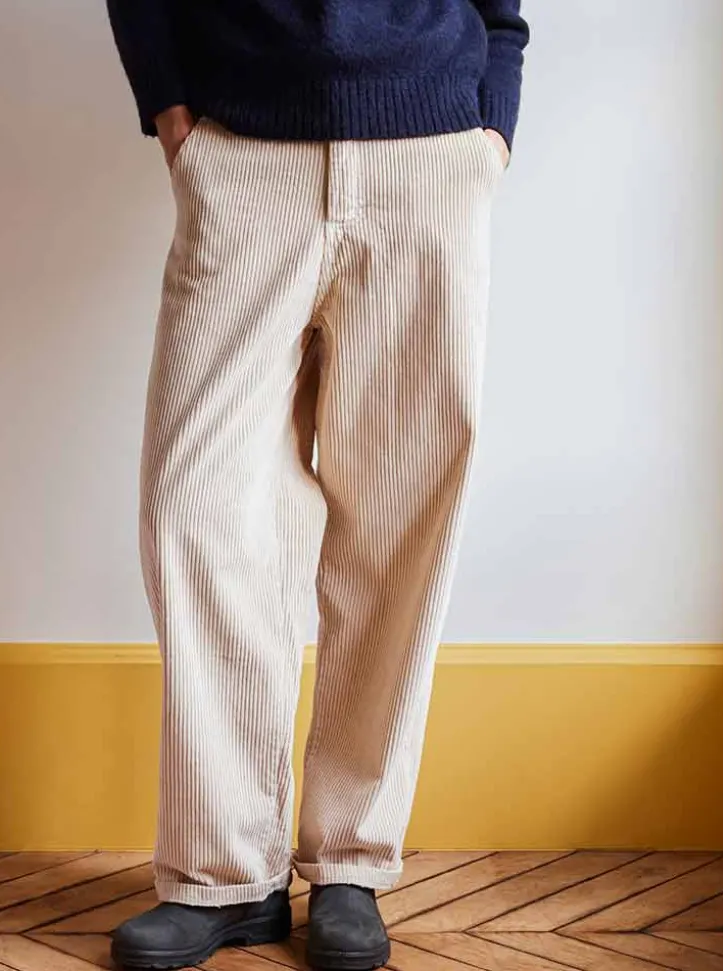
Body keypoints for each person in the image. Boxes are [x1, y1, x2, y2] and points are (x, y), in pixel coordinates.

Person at [105, 2, 529, 968]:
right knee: (195, 508)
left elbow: (503, 11)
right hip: (243, 153)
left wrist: (491, 131)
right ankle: (225, 874)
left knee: (400, 523)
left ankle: (351, 860)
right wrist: (170, 110)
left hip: (429, 157)